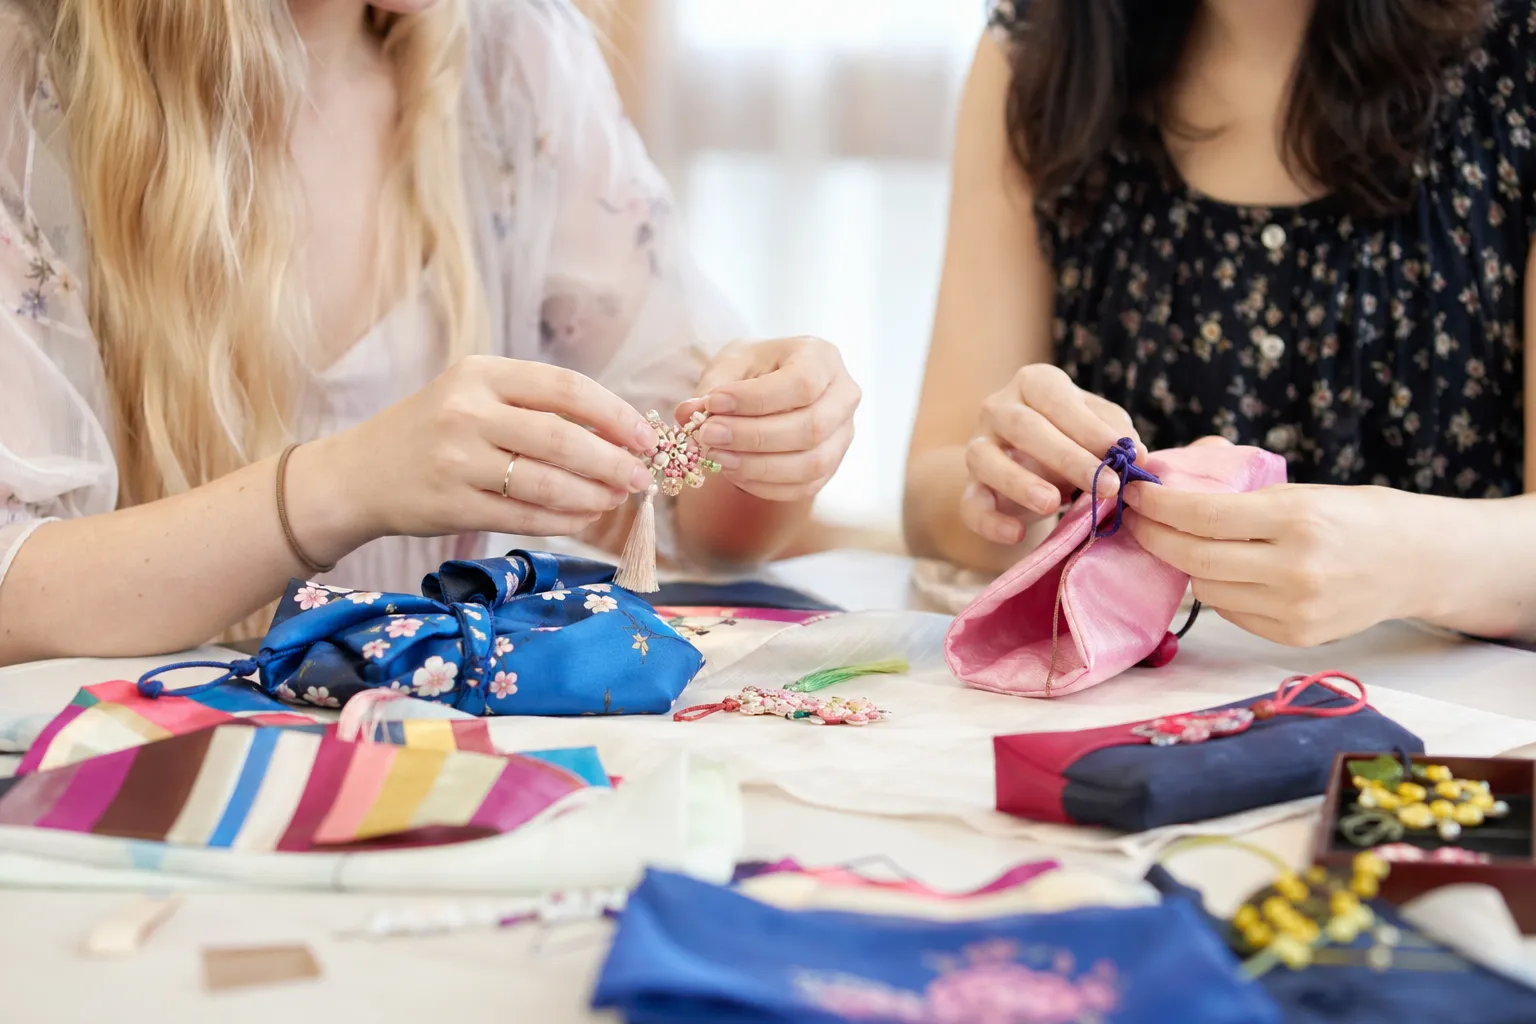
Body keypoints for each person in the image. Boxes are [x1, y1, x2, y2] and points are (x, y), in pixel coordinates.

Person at [0, 0, 861, 666]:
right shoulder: (28, 88)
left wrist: (769, 441)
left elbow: (703, 526)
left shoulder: (510, 62)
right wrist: (346, 485)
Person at [905, 0, 1536, 646]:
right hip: (1141, 700)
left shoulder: (1520, 54)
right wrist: (1022, 496)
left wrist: (1415, 559)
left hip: (1460, 697)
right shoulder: (1043, 44)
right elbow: (931, 497)